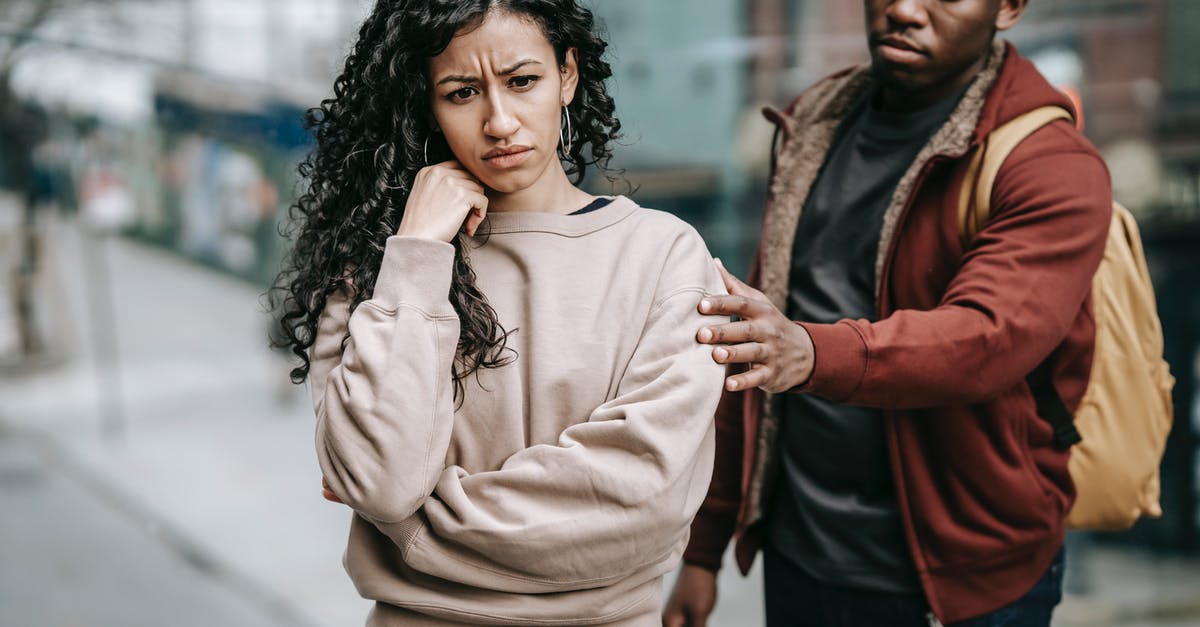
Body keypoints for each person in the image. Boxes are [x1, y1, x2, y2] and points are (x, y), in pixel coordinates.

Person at [271, 1, 728, 625]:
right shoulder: (380, 269)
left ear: (567, 75)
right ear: (425, 103)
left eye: (522, 81)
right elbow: (380, 479)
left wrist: (410, 529)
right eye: (462, 93)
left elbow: (642, 501)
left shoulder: (664, 256)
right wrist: (419, 253)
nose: (499, 120)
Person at [664, 1, 1112, 626]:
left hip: (963, 574)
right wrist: (704, 547)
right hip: (802, 553)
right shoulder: (816, 123)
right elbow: (756, 347)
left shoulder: (1049, 164)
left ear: (1008, 7)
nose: (903, 8)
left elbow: (986, 337)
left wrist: (812, 352)